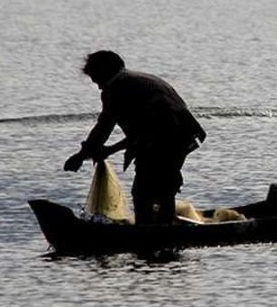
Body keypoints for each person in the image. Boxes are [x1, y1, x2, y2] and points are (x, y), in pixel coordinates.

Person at [63, 50, 206, 225]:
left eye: (97, 80)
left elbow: (148, 130)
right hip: (173, 137)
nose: (99, 87)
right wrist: (83, 154)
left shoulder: (119, 88)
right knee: (156, 189)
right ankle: (162, 225)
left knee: (147, 191)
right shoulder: (132, 81)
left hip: (169, 138)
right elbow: (105, 126)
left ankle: (157, 230)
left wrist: (108, 150)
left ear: (106, 71)